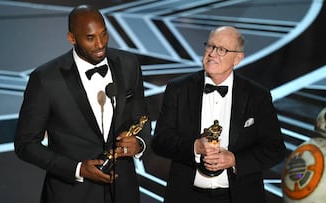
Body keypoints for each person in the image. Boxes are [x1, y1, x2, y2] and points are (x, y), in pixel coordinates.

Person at [14, 5, 150, 203]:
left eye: (104, 34)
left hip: (123, 191)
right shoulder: (46, 79)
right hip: (72, 193)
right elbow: (25, 143)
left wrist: (139, 143)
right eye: (90, 37)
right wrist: (77, 168)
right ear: (72, 38)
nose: (100, 44)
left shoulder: (129, 64)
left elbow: (142, 117)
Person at [151, 26, 286, 203]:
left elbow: (275, 149)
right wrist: (194, 147)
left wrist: (235, 160)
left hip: (238, 196)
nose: (213, 53)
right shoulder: (178, 89)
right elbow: (160, 141)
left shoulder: (256, 95)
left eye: (221, 49)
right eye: (210, 46)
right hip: (187, 195)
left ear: (237, 58)